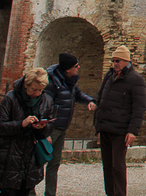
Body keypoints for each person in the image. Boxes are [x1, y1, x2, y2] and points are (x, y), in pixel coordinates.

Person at [0, 68, 54, 196]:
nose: (37, 93)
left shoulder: (46, 100)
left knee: (26, 190)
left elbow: (50, 125)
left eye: (40, 90)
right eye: (34, 90)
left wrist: (42, 128)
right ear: (26, 85)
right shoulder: (11, 98)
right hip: (9, 155)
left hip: (30, 157)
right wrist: (21, 124)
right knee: (9, 191)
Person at [93, 46, 146, 196]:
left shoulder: (136, 80)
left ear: (126, 61)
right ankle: (110, 193)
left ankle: (120, 193)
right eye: (113, 60)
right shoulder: (109, 77)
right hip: (105, 126)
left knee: (118, 166)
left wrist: (132, 130)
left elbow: (139, 107)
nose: (115, 63)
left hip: (120, 129)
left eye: (118, 61)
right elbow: (101, 96)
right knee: (107, 166)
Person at [43, 53, 97, 196]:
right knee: (38, 160)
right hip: (52, 128)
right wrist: (46, 131)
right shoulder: (52, 82)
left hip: (62, 127)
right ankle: (29, 192)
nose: (78, 67)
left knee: (54, 163)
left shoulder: (69, 81)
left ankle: (50, 193)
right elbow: (46, 106)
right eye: (76, 65)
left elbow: (78, 95)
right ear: (67, 69)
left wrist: (90, 101)